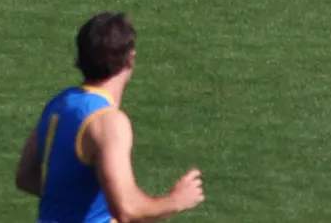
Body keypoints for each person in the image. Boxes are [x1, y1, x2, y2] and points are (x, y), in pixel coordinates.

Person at [16, 12, 204, 223]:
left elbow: (25, 177)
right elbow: (127, 210)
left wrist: (70, 200)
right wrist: (175, 201)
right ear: (130, 59)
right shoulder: (109, 122)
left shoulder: (59, 104)